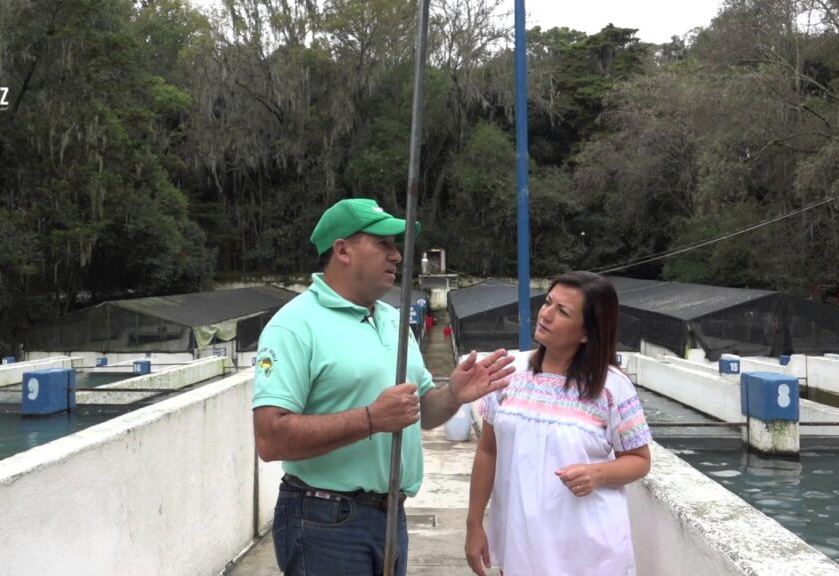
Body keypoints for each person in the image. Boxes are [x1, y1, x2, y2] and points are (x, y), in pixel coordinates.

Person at [252, 198, 516, 576]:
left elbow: (420, 412)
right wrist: (371, 419)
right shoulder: (294, 326)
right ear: (342, 250)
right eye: (383, 244)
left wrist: (452, 395)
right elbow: (270, 439)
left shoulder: (393, 319)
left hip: (390, 516)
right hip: (323, 519)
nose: (397, 255)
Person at [464, 271, 652, 576]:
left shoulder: (611, 387)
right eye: (547, 302)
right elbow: (488, 451)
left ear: (587, 332)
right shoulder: (509, 373)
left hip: (589, 555)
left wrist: (597, 474)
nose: (546, 315)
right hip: (521, 546)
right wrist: (474, 524)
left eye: (562, 311)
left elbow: (640, 460)